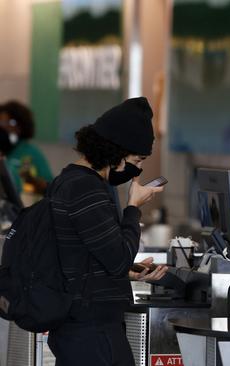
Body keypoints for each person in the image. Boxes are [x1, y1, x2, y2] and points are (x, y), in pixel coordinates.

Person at [46, 97, 166, 366]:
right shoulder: (86, 190)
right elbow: (117, 259)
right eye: (138, 159)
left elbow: (82, 254)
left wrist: (129, 270)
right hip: (92, 330)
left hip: (77, 328)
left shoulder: (68, 181)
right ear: (116, 151)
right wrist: (133, 208)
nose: (140, 168)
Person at [0, 100, 53, 195]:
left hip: (27, 208)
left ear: (21, 126)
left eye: (9, 123)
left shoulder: (31, 152)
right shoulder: (3, 151)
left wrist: (31, 180)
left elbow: (51, 189)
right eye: (2, 123)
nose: (4, 127)